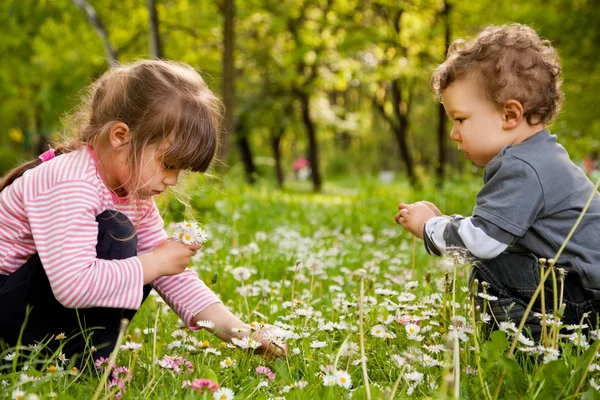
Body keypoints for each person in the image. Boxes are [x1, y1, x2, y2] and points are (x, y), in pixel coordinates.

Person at [0, 60, 284, 365]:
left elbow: (174, 278)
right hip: (8, 311)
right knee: (118, 234)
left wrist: (240, 333)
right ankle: (83, 365)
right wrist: (155, 261)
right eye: (168, 163)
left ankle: (75, 363)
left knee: (131, 245)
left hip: (30, 311)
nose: (173, 179)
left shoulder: (133, 195)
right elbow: (74, 286)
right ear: (120, 136)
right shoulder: (71, 183)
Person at [395, 24, 600, 339]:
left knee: (491, 269)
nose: (454, 133)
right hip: (583, 290)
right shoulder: (541, 155)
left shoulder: (522, 167)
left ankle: (534, 348)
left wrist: (429, 228)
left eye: (461, 119)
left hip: (587, 300)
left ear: (510, 115)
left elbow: (483, 243)